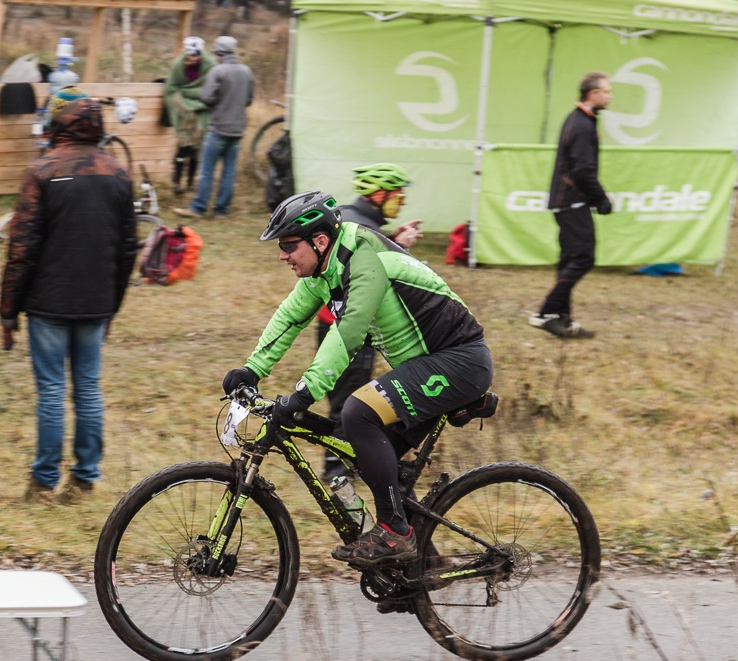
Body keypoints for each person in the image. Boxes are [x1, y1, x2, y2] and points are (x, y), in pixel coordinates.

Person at [223, 191, 492, 568]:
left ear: (319, 241)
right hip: (429, 365)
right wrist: (252, 369)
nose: (283, 255)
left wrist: (304, 394)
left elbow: (348, 332)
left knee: (357, 412)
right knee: (368, 456)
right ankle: (422, 568)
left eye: (288, 245)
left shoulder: (364, 258)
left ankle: (395, 533)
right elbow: (290, 317)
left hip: (459, 361)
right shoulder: (325, 267)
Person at [0, 99, 139, 505]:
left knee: (51, 391)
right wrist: (112, 305)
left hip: (47, 303)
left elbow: (21, 247)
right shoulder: (119, 174)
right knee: (88, 389)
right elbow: (128, 248)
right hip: (96, 302)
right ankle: (84, 479)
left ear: (58, 128)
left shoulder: (41, 171)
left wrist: (7, 311)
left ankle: (43, 483)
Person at [316, 162, 422, 481]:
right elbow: (374, 272)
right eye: (398, 194)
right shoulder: (362, 225)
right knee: (348, 402)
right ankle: (338, 472)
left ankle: (342, 467)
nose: (402, 201)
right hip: (350, 328)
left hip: (338, 322)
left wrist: (393, 237)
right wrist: (402, 247)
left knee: (348, 399)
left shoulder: (352, 218)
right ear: (378, 194)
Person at [528, 72, 613, 339]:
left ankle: (561, 318)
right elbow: (583, 170)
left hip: (567, 200)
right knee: (583, 257)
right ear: (592, 94)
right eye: (607, 92)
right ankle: (545, 313)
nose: (610, 97)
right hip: (571, 201)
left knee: (569, 259)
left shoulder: (579, 120)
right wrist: (601, 198)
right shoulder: (582, 125)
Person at [173, 35, 253, 219]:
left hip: (218, 128)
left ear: (219, 53)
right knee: (229, 172)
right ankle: (221, 210)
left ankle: (198, 208)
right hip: (238, 130)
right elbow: (249, 99)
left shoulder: (217, 71)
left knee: (207, 170)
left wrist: (217, 100)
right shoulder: (246, 71)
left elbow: (206, 97)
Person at [163, 36, 216, 196]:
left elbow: (210, 89)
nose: (191, 58)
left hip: (201, 112)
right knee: (183, 146)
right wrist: (185, 104)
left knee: (196, 148)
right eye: (188, 55)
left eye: (194, 55)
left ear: (200, 54)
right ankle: (177, 182)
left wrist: (198, 101)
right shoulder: (178, 66)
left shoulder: (210, 66)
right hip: (183, 111)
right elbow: (171, 89)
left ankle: (191, 183)